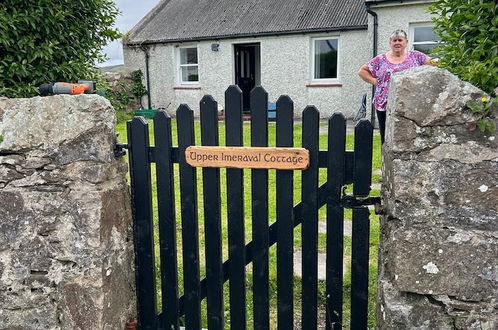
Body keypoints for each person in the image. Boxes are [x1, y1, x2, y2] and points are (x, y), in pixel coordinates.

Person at [358, 29, 434, 144]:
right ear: (390, 43)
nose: (397, 43)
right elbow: (362, 71)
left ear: (406, 42)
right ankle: (386, 160)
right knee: (386, 136)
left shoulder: (416, 56)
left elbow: (433, 64)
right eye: (394, 40)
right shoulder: (380, 59)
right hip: (384, 104)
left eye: (400, 40)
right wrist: (377, 82)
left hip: (409, 103)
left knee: (408, 135)